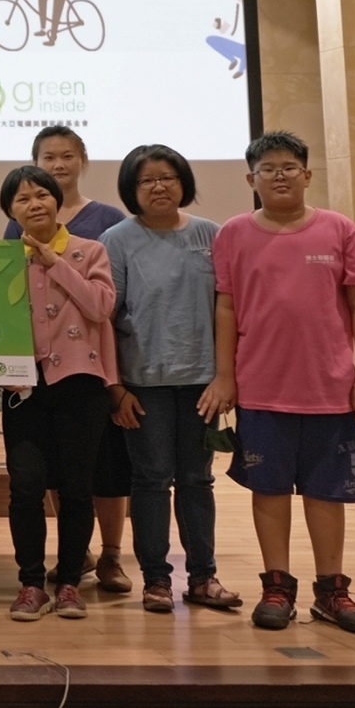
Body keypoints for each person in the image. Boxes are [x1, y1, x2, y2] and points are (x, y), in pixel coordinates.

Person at [199, 131, 355, 635]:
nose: (279, 176)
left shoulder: (339, 229)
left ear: (306, 174)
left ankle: (332, 592)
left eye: (288, 167)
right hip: (261, 389)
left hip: (330, 390)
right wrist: (225, 376)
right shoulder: (233, 233)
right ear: (250, 179)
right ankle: (276, 587)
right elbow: (226, 308)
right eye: (268, 169)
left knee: (327, 493)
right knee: (270, 490)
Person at [100, 144, 240, 615]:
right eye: (146, 180)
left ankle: (203, 577)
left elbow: (229, 310)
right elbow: (105, 318)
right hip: (143, 384)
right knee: (152, 480)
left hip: (203, 382)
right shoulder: (117, 239)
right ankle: (156, 580)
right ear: (131, 189)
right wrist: (115, 388)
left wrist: (225, 377)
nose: (158, 187)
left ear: (183, 183)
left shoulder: (211, 235)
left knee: (198, 479)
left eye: (168, 177)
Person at [3, 125, 132, 594]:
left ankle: (72, 582)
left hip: (81, 383)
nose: (34, 204)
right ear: (10, 212)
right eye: (22, 199)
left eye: (42, 195)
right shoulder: (1, 260)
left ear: (57, 201)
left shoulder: (89, 249)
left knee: (78, 486)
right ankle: (31, 582)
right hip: (23, 387)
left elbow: (100, 307)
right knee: (26, 487)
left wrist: (54, 262)